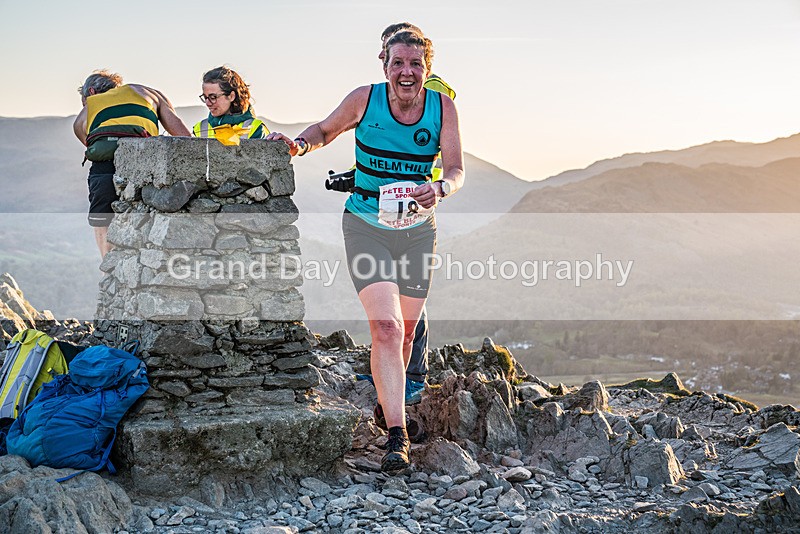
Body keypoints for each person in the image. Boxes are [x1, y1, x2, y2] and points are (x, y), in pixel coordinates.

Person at [268, 29, 464, 473]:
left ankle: (387, 401)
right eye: (398, 63)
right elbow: (325, 129)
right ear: (384, 64)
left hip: (417, 231)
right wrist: (299, 144)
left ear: (427, 69)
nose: (406, 72)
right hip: (365, 224)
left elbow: (456, 169)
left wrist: (440, 188)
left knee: (407, 334)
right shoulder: (365, 99)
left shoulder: (442, 108)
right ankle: (397, 435)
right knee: (387, 329)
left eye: (415, 64)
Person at [73, 70, 191, 258]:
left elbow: (88, 139)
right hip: (148, 163)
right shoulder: (150, 93)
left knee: (101, 218)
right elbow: (183, 136)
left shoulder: (91, 104)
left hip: (105, 168)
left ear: (91, 92)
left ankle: (107, 263)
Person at [193, 66, 269, 142]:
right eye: (205, 97)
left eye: (213, 97)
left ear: (231, 96)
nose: (207, 103)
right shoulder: (200, 128)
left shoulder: (256, 129)